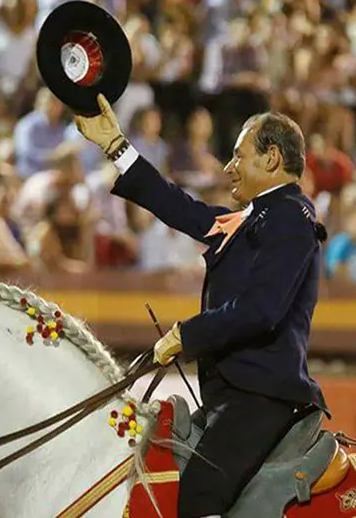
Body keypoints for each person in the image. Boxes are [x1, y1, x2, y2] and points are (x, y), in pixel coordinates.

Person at [74, 94, 329, 518]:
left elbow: (260, 310)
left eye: (238, 156)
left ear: (271, 158)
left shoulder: (288, 216)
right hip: (233, 394)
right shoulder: (254, 218)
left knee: (198, 499)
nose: (228, 168)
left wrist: (185, 335)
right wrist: (116, 146)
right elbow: (179, 207)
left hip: (259, 396)